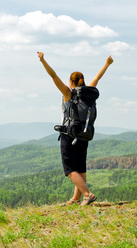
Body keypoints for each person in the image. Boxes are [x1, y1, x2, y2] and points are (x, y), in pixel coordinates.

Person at [37, 52, 114, 206]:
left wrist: (43, 60)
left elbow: (53, 76)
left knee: (70, 169)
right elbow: (97, 78)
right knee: (80, 168)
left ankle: (87, 194)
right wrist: (107, 64)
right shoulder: (88, 93)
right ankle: (75, 199)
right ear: (82, 81)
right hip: (85, 134)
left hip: (69, 134)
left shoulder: (68, 93)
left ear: (71, 82)